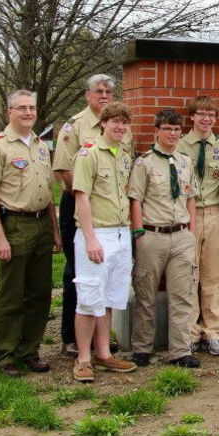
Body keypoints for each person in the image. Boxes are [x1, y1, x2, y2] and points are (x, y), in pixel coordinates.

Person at [0, 90, 61, 376]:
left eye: (32, 108)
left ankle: (29, 351)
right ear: (9, 111)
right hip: (14, 224)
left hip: (41, 225)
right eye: (21, 108)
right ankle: (5, 355)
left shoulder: (40, 145)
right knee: (11, 294)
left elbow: (47, 192)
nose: (28, 112)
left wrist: (56, 231)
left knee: (39, 293)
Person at [52, 74, 134, 356]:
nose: (104, 95)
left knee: (108, 281)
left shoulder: (122, 127)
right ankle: (71, 339)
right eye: (98, 91)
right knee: (79, 273)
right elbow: (63, 169)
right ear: (87, 95)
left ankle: (102, 344)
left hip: (113, 215)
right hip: (78, 203)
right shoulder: (75, 125)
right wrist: (94, 190)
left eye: (109, 91)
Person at [71, 102, 137, 382]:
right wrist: (90, 239)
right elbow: (81, 196)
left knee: (109, 297)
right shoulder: (88, 154)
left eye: (124, 123)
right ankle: (83, 359)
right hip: (97, 234)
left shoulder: (123, 154)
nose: (120, 127)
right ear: (103, 124)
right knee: (88, 298)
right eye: (114, 122)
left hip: (121, 233)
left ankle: (104, 354)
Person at [128, 109, 199, 367]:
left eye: (177, 129)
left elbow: (191, 198)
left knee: (182, 295)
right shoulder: (144, 162)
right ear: (156, 131)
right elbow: (135, 199)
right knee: (145, 293)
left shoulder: (185, 161)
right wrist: (138, 234)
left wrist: (191, 230)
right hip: (152, 234)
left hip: (181, 235)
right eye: (167, 129)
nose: (172, 134)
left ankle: (180, 350)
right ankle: (142, 348)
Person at [177, 96, 219, 356]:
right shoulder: (178, 145)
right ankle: (189, 333)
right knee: (190, 275)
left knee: (213, 277)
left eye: (211, 115)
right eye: (201, 114)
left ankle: (213, 333)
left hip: (214, 213)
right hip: (186, 215)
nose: (206, 119)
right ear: (191, 117)